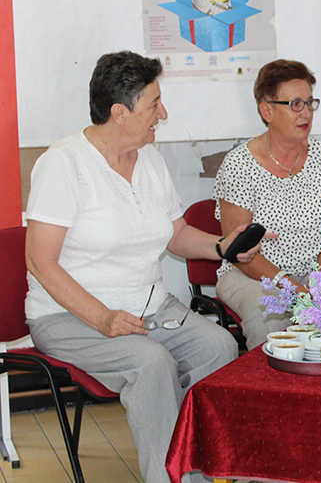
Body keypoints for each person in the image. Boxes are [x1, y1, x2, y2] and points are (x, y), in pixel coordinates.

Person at [24, 51, 255, 483]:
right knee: (151, 364)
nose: (162, 114)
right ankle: (170, 478)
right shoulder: (63, 163)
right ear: (119, 112)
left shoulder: (149, 158)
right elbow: (39, 260)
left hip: (150, 309)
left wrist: (221, 247)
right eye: (154, 104)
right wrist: (102, 317)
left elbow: (175, 234)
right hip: (69, 317)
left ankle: (201, 468)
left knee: (219, 347)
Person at [213, 59, 321, 350]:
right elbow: (240, 252)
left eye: (309, 103)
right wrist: (289, 285)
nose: (306, 113)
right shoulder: (239, 165)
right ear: (267, 111)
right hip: (254, 275)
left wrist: (316, 280)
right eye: (295, 104)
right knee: (269, 315)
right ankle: (271, 381)